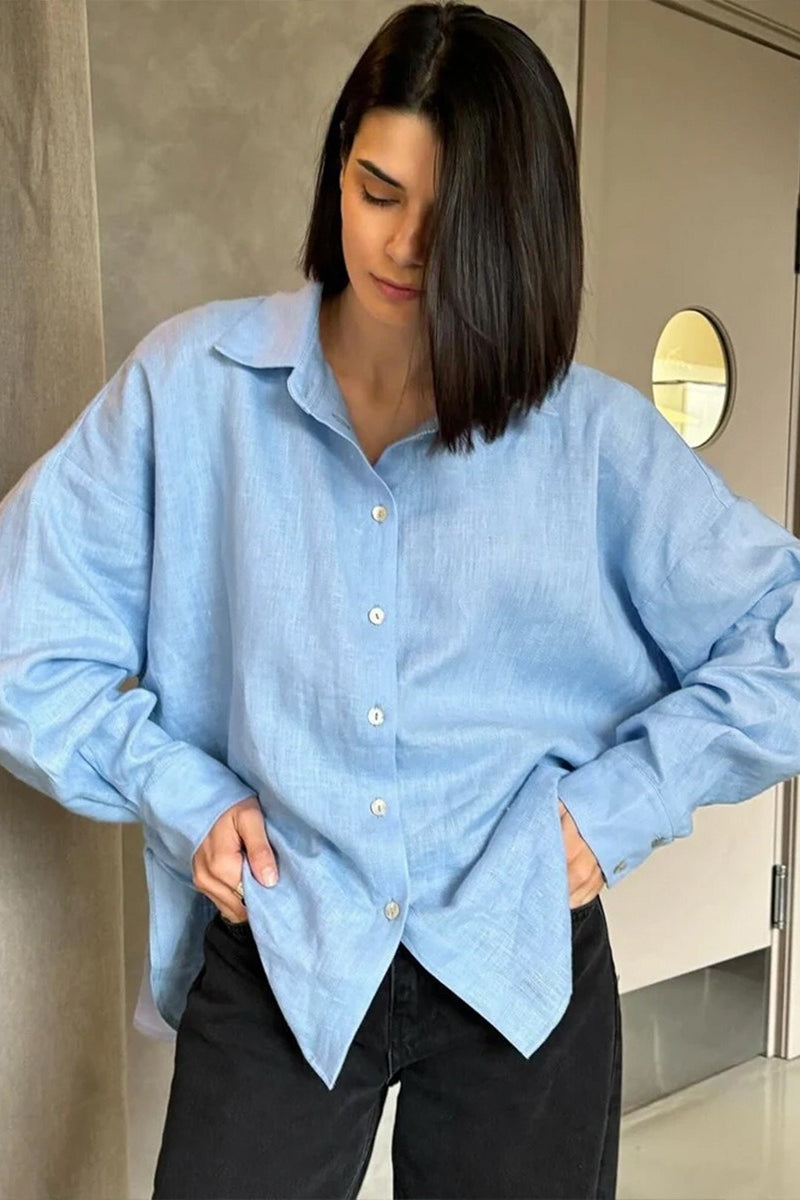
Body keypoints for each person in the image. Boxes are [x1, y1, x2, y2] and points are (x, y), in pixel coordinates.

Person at [2, 2, 800, 1197]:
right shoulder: (189, 389)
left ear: (518, 229)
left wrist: (612, 811)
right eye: (377, 190)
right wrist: (181, 794)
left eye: (451, 217)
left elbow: (782, 638)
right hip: (284, 943)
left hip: (515, 954)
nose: (403, 246)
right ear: (339, 165)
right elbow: (21, 634)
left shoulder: (589, 441)